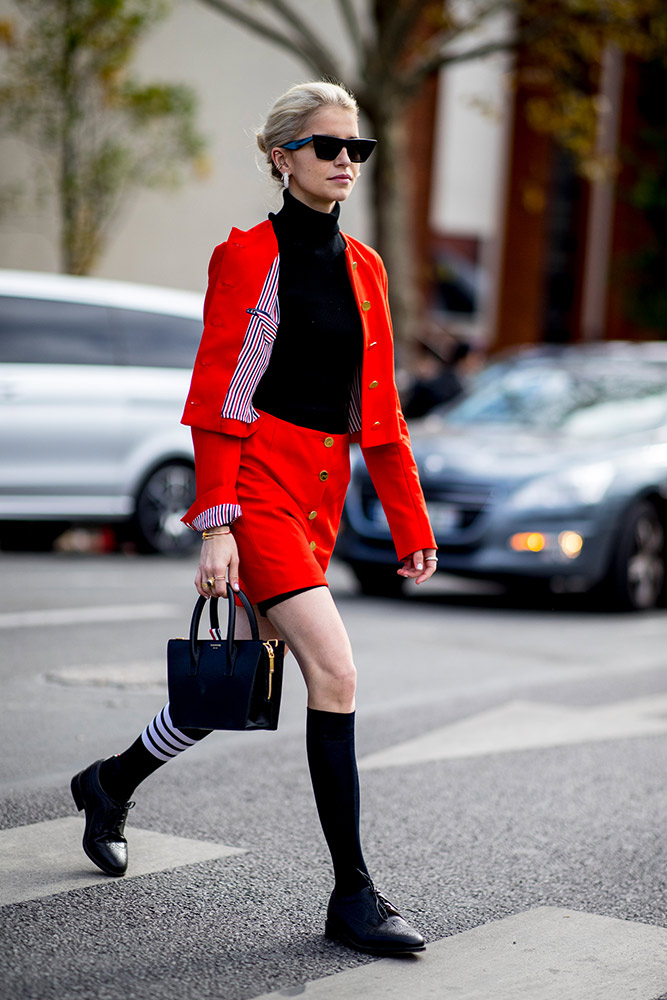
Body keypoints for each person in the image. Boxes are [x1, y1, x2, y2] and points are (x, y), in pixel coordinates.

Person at [70, 81, 437, 956]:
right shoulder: (248, 256)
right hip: (261, 486)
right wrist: (217, 522)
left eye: (357, 147)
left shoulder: (367, 269)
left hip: (319, 492)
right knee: (336, 674)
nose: (344, 160)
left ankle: (108, 783)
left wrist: (409, 522)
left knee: (240, 678)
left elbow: (377, 412)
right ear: (281, 157)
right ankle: (353, 896)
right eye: (326, 146)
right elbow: (217, 398)